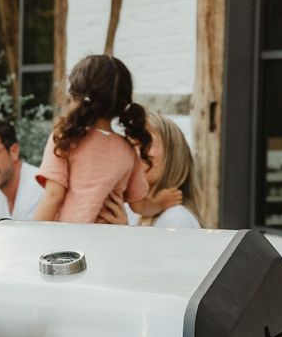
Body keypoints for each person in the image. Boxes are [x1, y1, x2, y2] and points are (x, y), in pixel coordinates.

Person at [32, 54, 180, 224]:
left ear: (76, 96)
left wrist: (33, 234)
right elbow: (140, 206)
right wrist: (161, 202)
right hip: (109, 237)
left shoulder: (65, 139)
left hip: (70, 236)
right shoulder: (128, 150)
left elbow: (53, 195)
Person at [129, 114, 203, 228]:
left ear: (172, 156)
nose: (134, 152)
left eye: (145, 143)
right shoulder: (131, 211)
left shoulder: (176, 218)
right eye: (131, 144)